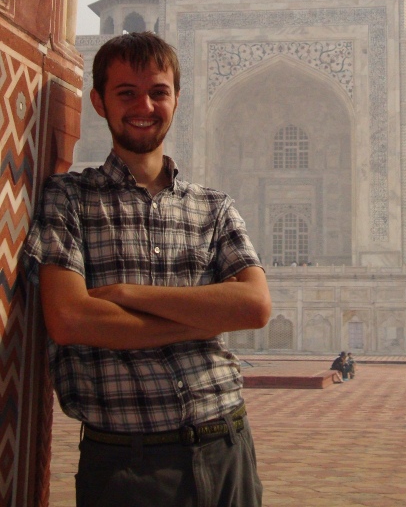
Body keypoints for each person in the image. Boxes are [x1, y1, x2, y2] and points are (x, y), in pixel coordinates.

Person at [23, 32, 271, 507]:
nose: (145, 106)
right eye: (127, 93)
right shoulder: (69, 198)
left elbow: (255, 307)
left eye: (158, 92)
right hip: (126, 462)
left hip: (227, 448)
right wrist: (204, 319)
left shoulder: (213, 207)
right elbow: (71, 319)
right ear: (98, 101)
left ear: (176, 98)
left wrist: (125, 295)